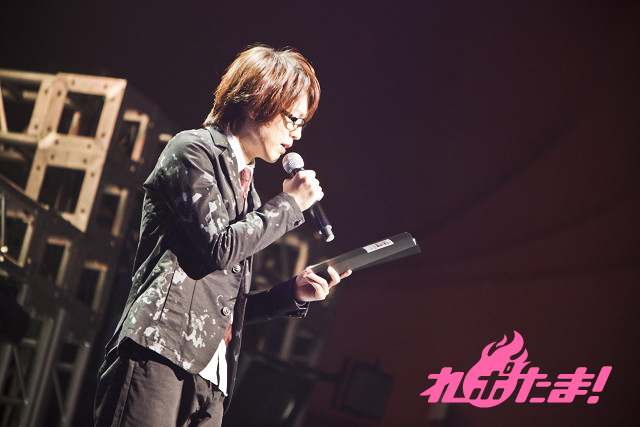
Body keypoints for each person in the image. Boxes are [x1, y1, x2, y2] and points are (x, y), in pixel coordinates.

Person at [94, 45, 350, 426]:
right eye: (292, 119)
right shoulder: (192, 150)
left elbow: (228, 306)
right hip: (159, 353)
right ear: (257, 102)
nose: (296, 135)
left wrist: (292, 293)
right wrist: (290, 205)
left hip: (210, 379)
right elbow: (219, 247)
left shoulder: (251, 196)